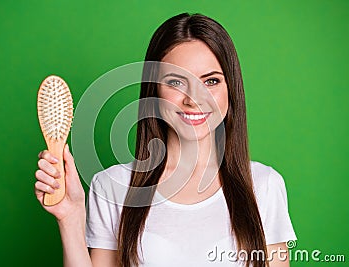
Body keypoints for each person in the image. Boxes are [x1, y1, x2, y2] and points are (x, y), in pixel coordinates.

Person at [34, 13, 296, 267]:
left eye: (211, 81)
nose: (193, 99)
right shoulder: (112, 187)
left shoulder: (264, 186)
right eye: (176, 82)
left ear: (231, 90)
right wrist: (70, 219)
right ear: (154, 90)